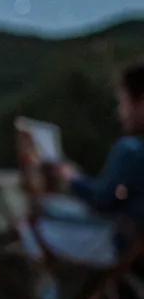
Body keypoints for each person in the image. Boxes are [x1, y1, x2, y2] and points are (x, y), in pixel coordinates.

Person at [60, 60, 144, 257]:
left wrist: (72, 178)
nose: (120, 112)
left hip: (121, 244)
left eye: (122, 102)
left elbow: (102, 199)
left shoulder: (131, 150)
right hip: (135, 249)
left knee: (33, 226)